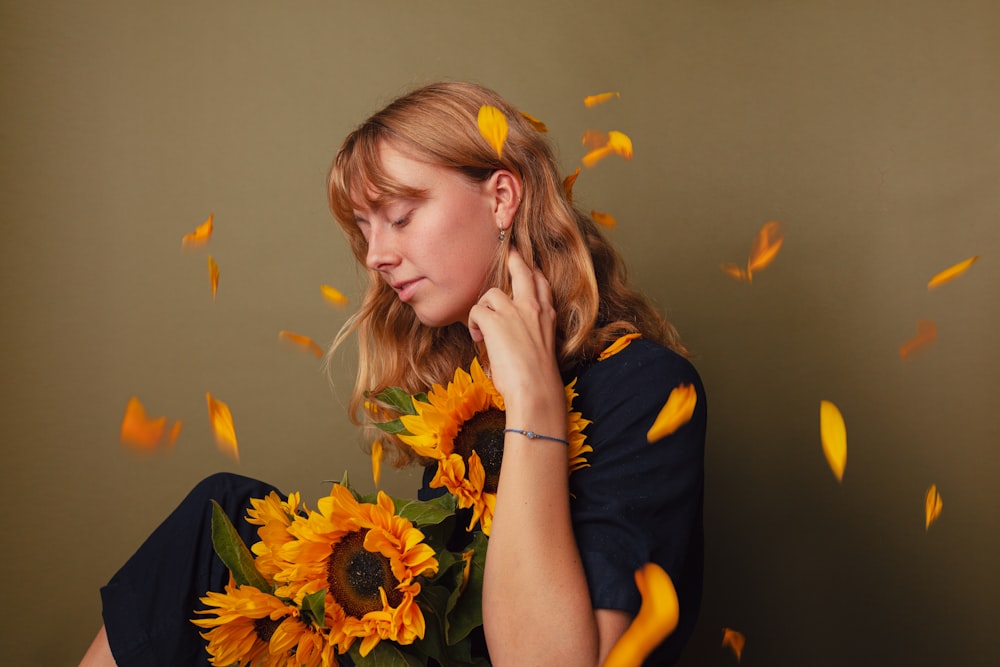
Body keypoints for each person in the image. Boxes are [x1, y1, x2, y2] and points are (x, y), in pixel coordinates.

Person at [80, 81, 705, 667]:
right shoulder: (460, 391)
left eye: (401, 216)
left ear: (501, 198)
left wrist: (535, 403)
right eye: (364, 229)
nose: (377, 255)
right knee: (220, 522)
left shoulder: (648, 387)